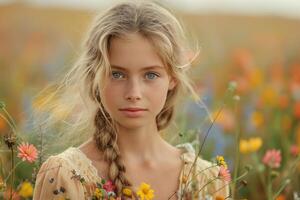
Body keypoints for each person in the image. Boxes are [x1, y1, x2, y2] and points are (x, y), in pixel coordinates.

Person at [32, 1, 229, 199]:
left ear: (173, 78)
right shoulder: (66, 177)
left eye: (150, 75)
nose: (134, 93)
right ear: (95, 77)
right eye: (117, 74)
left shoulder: (208, 180)